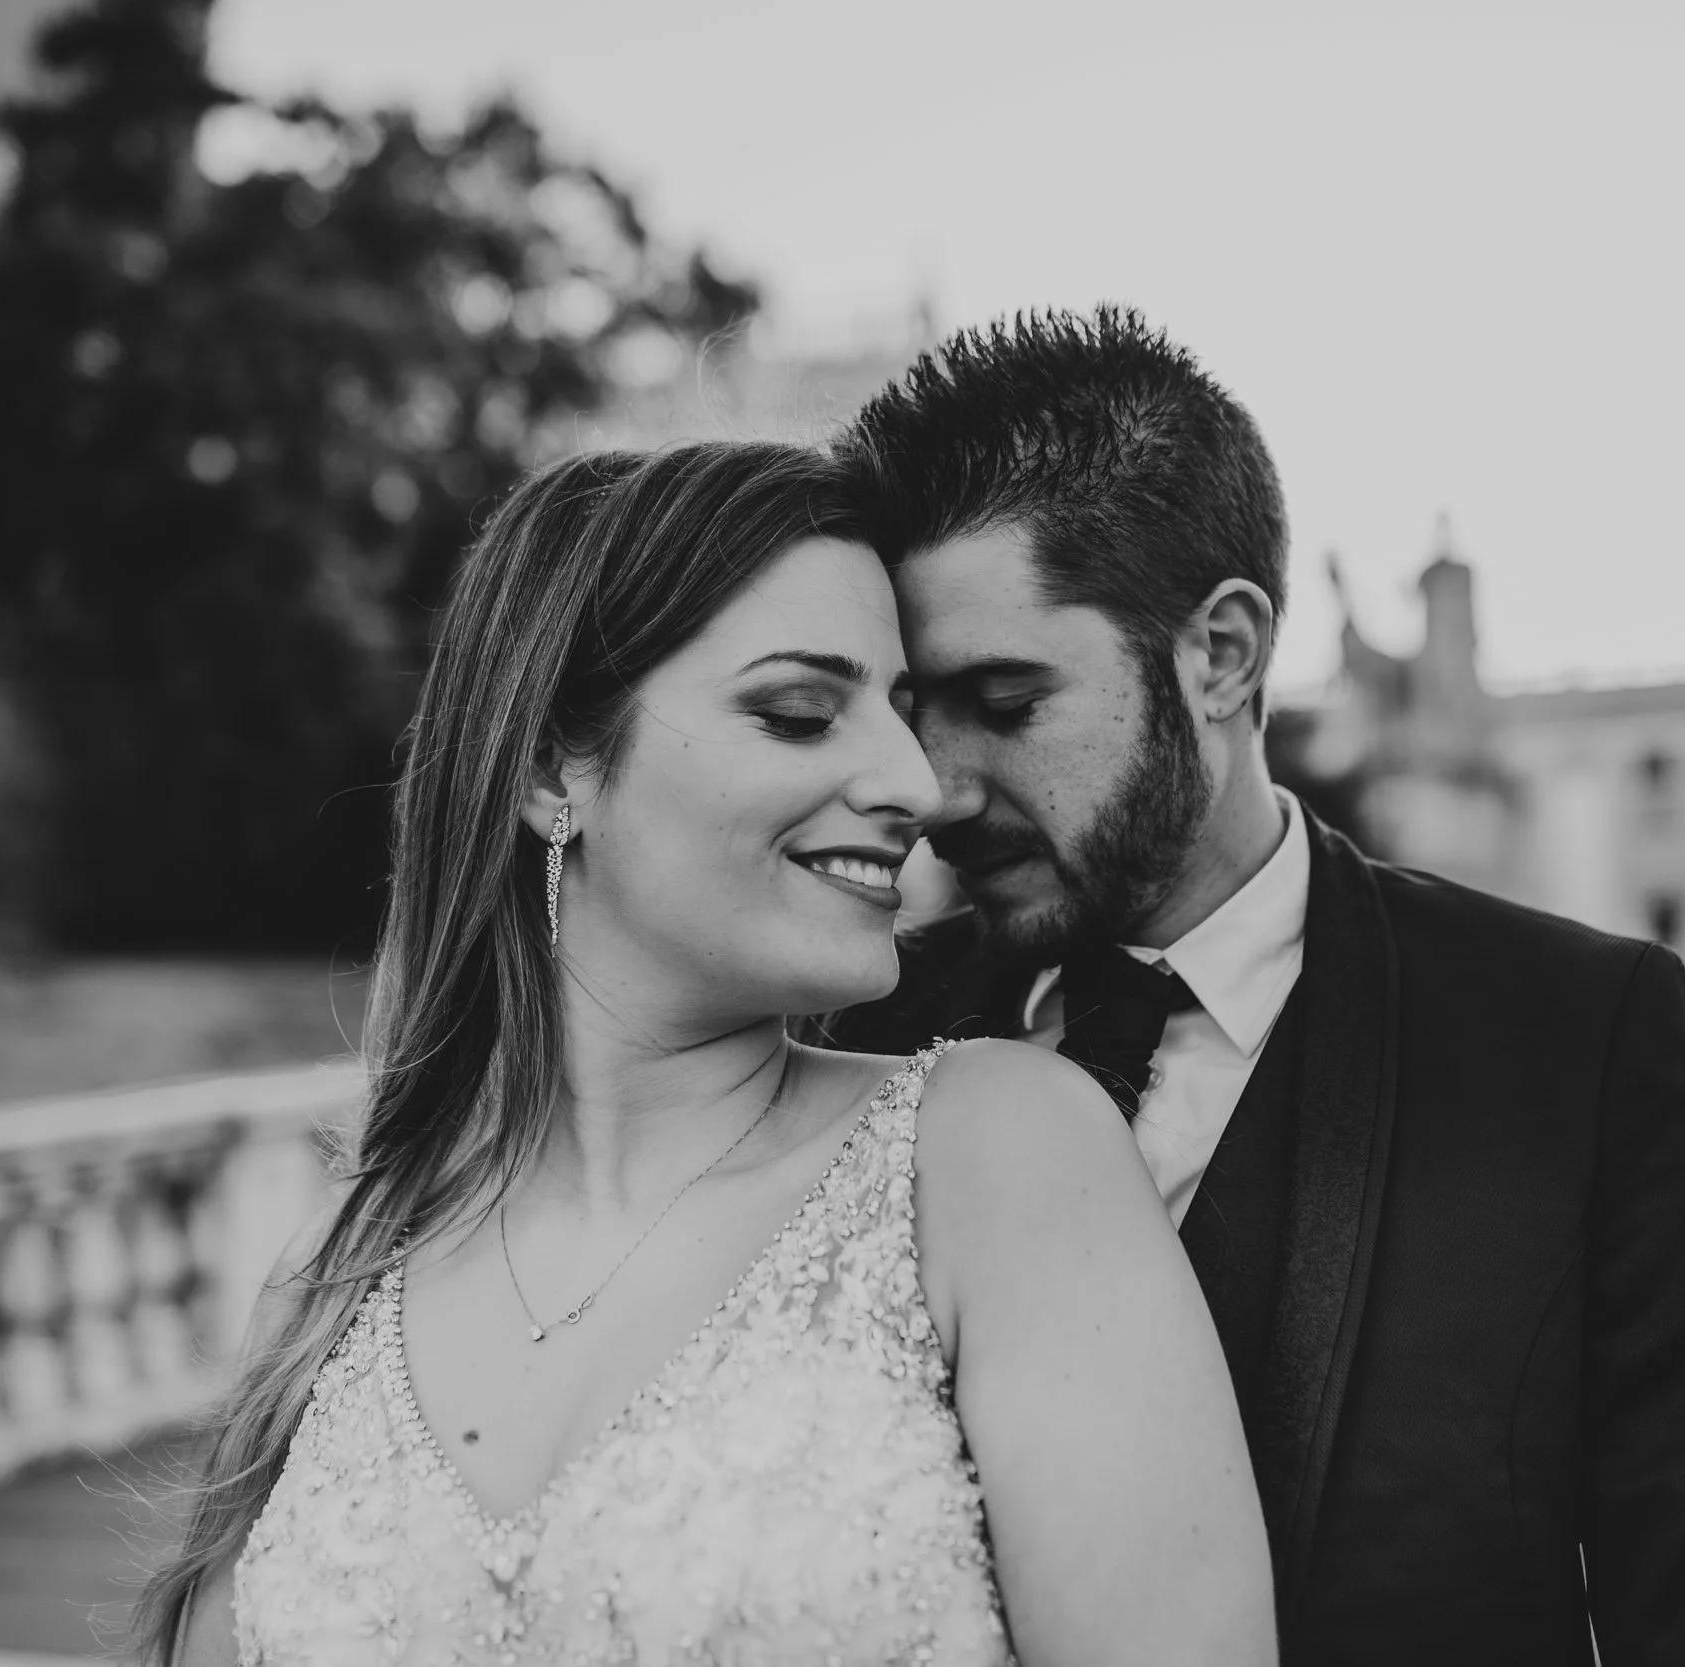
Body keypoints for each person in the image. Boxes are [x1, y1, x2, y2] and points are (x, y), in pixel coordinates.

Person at [821, 309, 1685, 1665]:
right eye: (911, 709)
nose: (935, 787)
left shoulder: (1572, 1037)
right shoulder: (857, 1037)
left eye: (1006, 701)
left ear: (1224, 653)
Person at [131, 442, 1276, 1666]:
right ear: (545, 762)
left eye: (901, 712)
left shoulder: (998, 1156)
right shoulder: (331, 1280)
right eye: (798, 713)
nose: (916, 784)